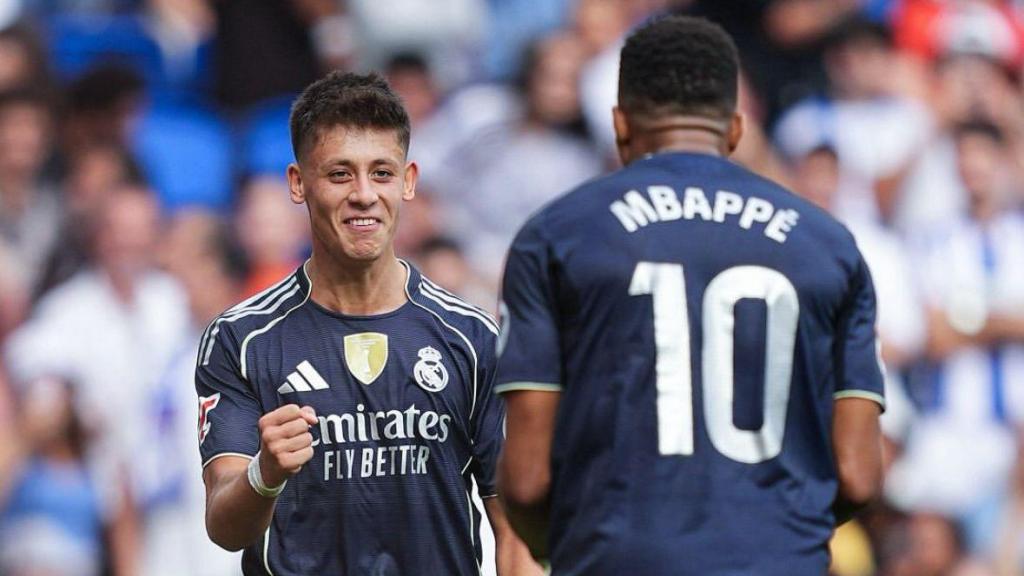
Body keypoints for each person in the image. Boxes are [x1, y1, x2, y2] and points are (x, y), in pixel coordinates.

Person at [496, 15, 885, 576]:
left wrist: (569, 546)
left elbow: (527, 480)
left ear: (620, 124)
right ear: (735, 129)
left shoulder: (555, 236)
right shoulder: (828, 244)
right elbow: (859, 475)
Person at [197, 71, 540, 575]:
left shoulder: (471, 338)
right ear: (298, 183)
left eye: (381, 173)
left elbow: (515, 530)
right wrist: (264, 475)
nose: (363, 194)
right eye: (340, 174)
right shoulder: (241, 339)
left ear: (409, 181)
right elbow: (224, 528)